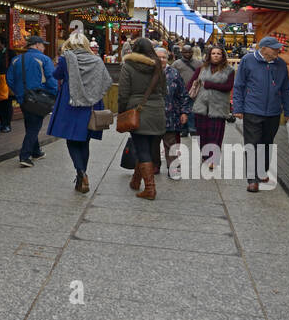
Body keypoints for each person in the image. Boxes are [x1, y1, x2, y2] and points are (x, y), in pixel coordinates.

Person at [48, 32, 113, 193]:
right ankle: (82, 174)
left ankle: (81, 173)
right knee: (85, 140)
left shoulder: (65, 59)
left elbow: (56, 75)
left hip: (71, 103)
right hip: (91, 105)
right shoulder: (97, 60)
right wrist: (93, 92)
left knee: (71, 139)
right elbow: (107, 81)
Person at [232, 36, 289, 193]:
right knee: (252, 144)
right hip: (252, 109)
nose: (278, 51)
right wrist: (238, 108)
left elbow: (286, 89)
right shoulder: (248, 60)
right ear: (263, 48)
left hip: (273, 111)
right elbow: (239, 85)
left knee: (267, 143)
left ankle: (262, 171)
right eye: (274, 49)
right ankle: (252, 179)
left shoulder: (280, 64)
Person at [117, 39, 168, 199]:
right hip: (157, 111)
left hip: (137, 110)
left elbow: (123, 93)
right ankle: (135, 181)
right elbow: (164, 90)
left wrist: (122, 112)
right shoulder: (158, 66)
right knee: (148, 148)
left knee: (142, 149)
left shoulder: (128, 66)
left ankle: (150, 189)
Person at [8, 35, 57, 167]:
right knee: (34, 127)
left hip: (23, 98)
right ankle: (25, 155)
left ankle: (36, 152)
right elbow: (52, 80)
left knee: (30, 124)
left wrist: (19, 93)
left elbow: (10, 80)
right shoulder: (44, 59)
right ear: (36, 45)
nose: (44, 47)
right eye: (42, 45)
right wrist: (54, 95)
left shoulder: (16, 59)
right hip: (39, 98)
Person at [191, 46, 235, 167]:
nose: (215, 55)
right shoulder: (202, 68)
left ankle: (213, 158)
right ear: (209, 55)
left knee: (215, 134)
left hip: (219, 106)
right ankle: (205, 156)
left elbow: (228, 86)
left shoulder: (229, 70)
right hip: (201, 105)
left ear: (223, 56)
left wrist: (210, 84)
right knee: (202, 133)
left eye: (219, 53)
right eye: (213, 53)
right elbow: (192, 82)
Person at [160, 48, 189, 179]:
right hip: (152, 114)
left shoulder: (174, 73)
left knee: (170, 143)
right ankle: (154, 166)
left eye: (163, 57)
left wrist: (184, 112)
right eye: (158, 57)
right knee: (153, 143)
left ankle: (173, 168)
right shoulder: (147, 72)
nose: (161, 60)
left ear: (167, 58)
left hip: (171, 114)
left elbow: (183, 94)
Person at [0, 35, 14, 132]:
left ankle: (7, 124)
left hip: (7, 80)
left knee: (7, 103)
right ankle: (2, 123)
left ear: (2, 43)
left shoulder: (10, 53)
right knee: (0, 102)